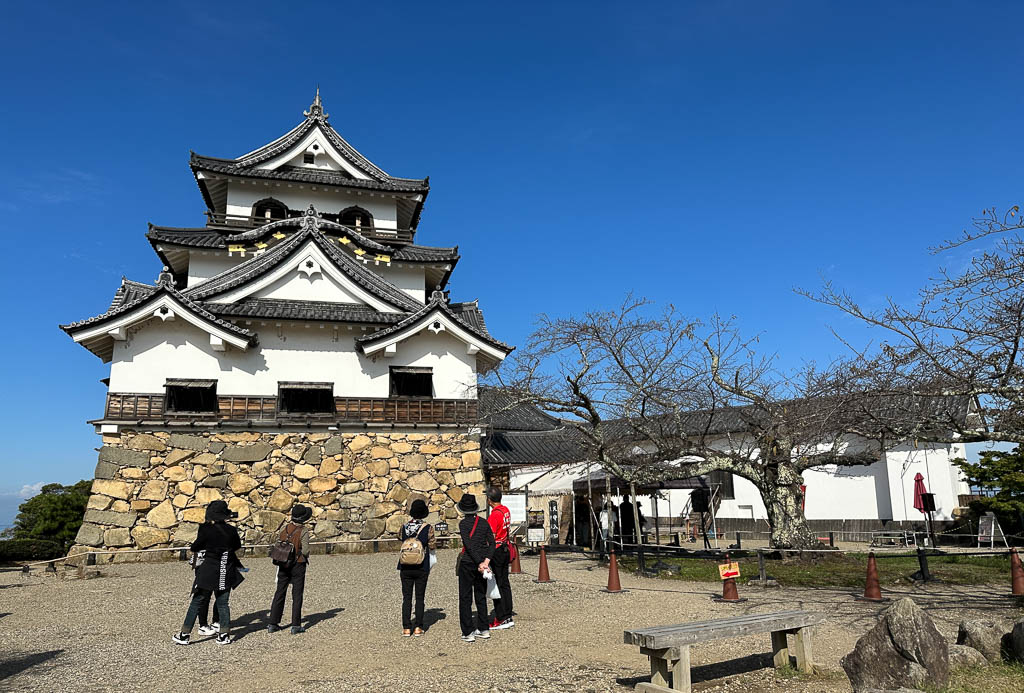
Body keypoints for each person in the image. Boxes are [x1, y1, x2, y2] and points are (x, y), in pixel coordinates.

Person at [173, 500, 243, 645]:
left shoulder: (206, 530)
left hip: (209, 570)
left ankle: (184, 634)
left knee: (197, 601)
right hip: (226, 568)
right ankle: (224, 634)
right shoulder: (231, 530)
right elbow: (237, 546)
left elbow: (195, 546)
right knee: (223, 603)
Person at [268, 504, 312, 635]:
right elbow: (305, 550)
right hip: (298, 564)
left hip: (283, 563)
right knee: (297, 595)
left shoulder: (285, 528)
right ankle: (296, 625)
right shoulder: (303, 531)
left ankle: (273, 623)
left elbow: (277, 542)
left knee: (280, 592)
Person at [456, 494, 494, 643]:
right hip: (483, 563)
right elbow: (492, 543)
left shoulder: (463, 524)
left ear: (463, 510)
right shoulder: (484, 523)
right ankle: (484, 628)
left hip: (468, 563)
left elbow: (469, 546)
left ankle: (468, 631)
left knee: (465, 597)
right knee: (480, 596)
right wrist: (486, 561)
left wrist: (479, 562)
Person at [396, 499, 436, 637]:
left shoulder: (404, 527)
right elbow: (432, 545)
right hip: (421, 565)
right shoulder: (428, 527)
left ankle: (406, 628)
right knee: (420, 597)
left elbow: (400, 538)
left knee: (406, 597)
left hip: (405, 566)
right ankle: (418, 627)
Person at [485, 486, 515, 630]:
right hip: (505, 548)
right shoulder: (505, 510)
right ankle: (508, 613)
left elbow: (490, 536)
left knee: (497, 584)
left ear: (489, 500)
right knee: (505, 583)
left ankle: (501, 616)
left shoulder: (494, 515)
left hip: (496, 550)